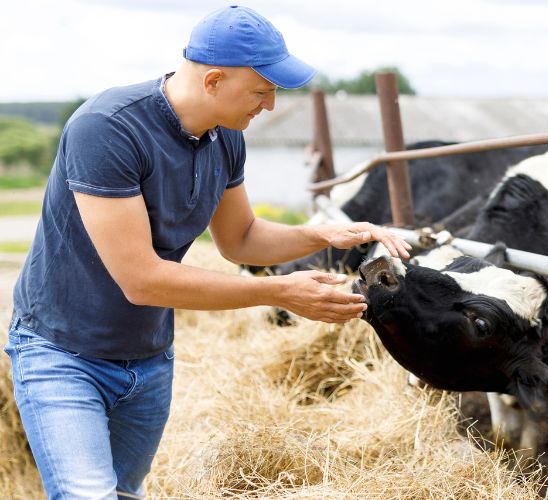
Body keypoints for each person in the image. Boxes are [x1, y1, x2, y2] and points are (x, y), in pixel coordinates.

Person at [4, 5, 411, 499]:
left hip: (148, 356)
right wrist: (280, 291)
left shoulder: (225, 137)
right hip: (64, 352)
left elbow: (240, 239)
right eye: (262, 91)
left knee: (126, 493)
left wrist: (324, 235)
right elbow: (141, 279)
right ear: (214, 80)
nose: (270, 106)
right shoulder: (108, 129)